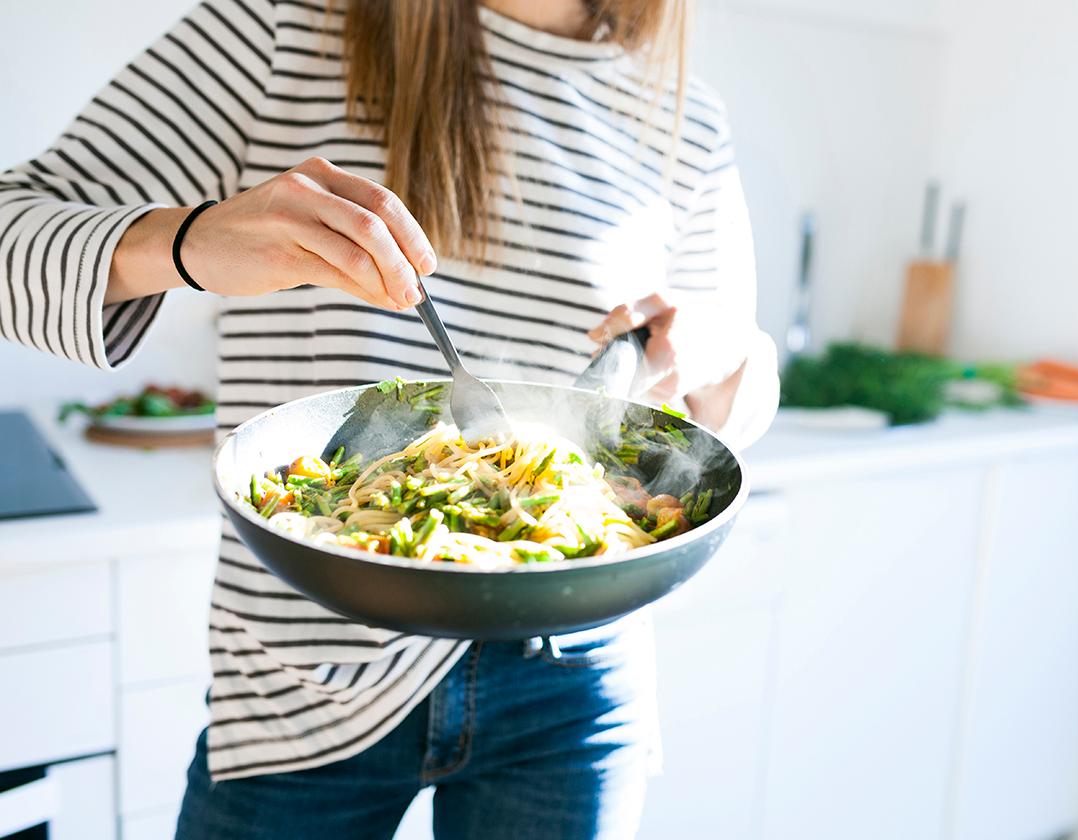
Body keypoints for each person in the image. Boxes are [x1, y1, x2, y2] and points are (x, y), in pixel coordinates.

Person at [0, 0, 778, 836]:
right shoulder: (279, 30)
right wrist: (186, 242)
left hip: (573, 673)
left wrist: (725, 354)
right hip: (307, 671)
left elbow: (739, 395)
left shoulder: (683, 114)